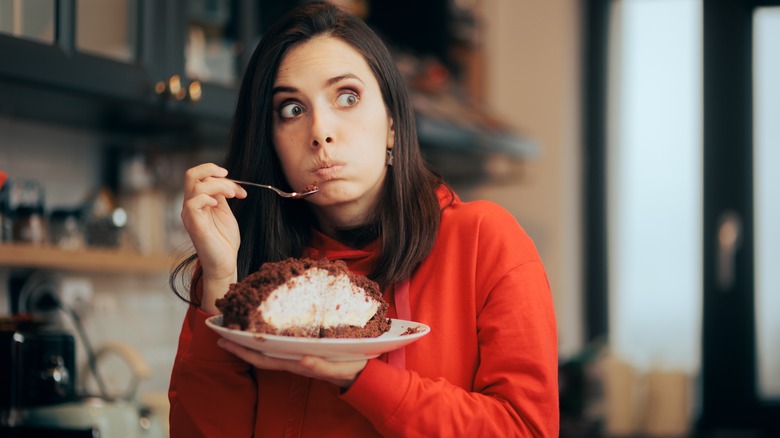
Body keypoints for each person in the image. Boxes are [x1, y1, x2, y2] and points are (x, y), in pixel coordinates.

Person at [168, 2, 559, 436]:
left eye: (347, 97)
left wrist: (360, 375)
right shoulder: (245, 264)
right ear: (270, 139)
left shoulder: (485, 241)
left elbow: (526, 428)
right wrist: (221, 279)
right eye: (292, 109)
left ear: (392, 122)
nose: (320, 131)